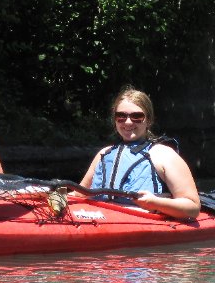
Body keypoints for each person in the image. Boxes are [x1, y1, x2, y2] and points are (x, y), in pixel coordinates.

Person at [79, 86, 200, 219]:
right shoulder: (104, 154)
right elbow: (79, 194)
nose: (128, 122)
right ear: (115, 120)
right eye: (121, 116)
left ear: (148, 120)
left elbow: (193, 208)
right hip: (100, 219)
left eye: (137, 116)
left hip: (144, 223)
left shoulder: (164, 155)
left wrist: (156, 203)